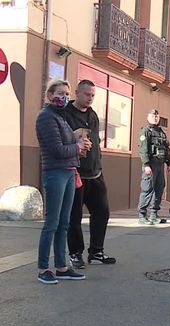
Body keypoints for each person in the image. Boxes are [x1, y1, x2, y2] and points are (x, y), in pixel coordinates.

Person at [35, 79, 90, 284]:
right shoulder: (46, 117)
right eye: (60, 93)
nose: (64, 97)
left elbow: (69, 145)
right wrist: (77, 147)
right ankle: (43, 268)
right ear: (50, 95)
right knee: (51, 223)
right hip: (55, 172)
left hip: (68, 172)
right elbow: (57, 150)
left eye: (67, 94)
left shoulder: (61, 116)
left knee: (64, 223)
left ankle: (61, 266)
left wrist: (80, 147)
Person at [65, 80, 116, 268]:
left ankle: (96, 252)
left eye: (93, 95)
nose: (90, 98)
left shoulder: (93, 115)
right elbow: (59, 139)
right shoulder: (66, 114)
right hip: (75, 173)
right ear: (77, 93)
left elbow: (95, 140)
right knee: (74, 217)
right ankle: (75, 253)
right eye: (87, 94)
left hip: (95, 172)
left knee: (102, 212)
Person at [138, 109, 170, 224]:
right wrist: (146, 165)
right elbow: (143, 149)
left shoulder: (161, 132)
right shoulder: (145, 131)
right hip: (150, 164)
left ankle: (154, 214)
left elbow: (166, 148)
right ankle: (142, 215)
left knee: (159, 188)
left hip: (160, 165)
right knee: (147, 189)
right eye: (153, 116)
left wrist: (169, 163)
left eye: (157, 116)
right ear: (148, 117)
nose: (155, 118)